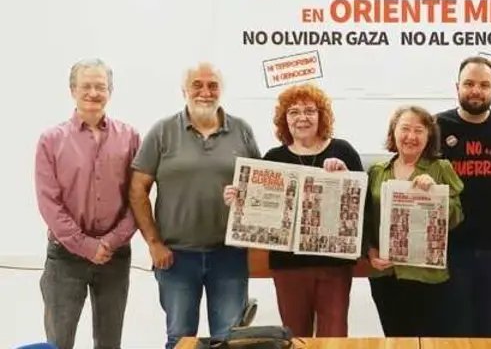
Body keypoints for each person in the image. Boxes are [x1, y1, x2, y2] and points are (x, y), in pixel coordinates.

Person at [129, 62, 261, 349]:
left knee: (229, 341)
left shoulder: (243, 131)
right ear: (184, 90)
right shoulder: (162, 131)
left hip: (230, 255)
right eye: (197, 85)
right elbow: (138, 189)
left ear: (221, 90)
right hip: (176, 257)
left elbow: (261, 188)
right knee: (180, 340)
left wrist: (246, 198)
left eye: (212, 85)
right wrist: (154, 243)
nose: (205, 92)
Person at [225, 82, 365, 337]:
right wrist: (239, 199)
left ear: (321, 116)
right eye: (294, 112)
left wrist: (345, 178)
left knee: (334, 338)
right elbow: (259, 211)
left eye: (310, 111)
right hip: (288, 266)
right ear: (284, 120)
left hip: (334, 266)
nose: (302, 117)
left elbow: (362, 207)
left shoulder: (343, 151)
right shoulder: (273, 158)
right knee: (294, 338)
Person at [34, 59, 140, 349]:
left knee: (109, 343)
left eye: (100, 86)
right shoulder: (50, 140)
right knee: (59, 342)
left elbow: (138, 198)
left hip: (114, 256)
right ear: (72, 90)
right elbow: (49, 202)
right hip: (65, 258)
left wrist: (110, 241)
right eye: (86, 86)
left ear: (111, 91)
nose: (93, 92)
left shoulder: (130, 137)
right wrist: (85, 245)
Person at [435, 56, 491, 337]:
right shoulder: (437, 126)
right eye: (469, 83)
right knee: (452, 329)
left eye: (484, 85)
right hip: (449, 247)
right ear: (456, 86)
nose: (476, 90)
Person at [364, 105, 464, 337]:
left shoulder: (441, 168)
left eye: (419, 130)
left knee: (430, 340)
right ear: (393, 133)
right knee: (395, 338)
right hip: (385, 275)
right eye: (405, 129)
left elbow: (457, 217)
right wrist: (370, 252)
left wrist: (435, 194)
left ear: (429, 136)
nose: (411, 136)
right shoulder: (378, 171)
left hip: (427, 275)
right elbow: (367, 220)